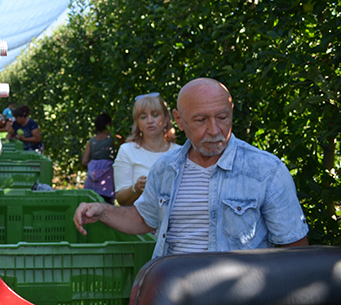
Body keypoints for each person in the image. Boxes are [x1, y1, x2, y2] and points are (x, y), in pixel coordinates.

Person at [73, 78, 309, 258]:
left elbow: (295, 250)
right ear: (179, 120)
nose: (214, 130)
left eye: (222, 117)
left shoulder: (266, 171)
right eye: (201, 120)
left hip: (238, 299)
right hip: (174, 293)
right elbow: (144, 218)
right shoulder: (165, 168)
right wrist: (102, 211)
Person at [113, 93, 180, 206]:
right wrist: (136, 188)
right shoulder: (127, 150)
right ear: (137, 123)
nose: (150, 120)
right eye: (143, 117)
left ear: (166, 119)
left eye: (155, 115)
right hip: (138, 217)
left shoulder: (180, 152)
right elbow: (121, 199)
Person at [82, 113, 117, 204]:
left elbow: (84, 161)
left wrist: (93, 165)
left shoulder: (91, 141)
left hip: (91, 183)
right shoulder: (113, 140)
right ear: (108, 125)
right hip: (106, 183)